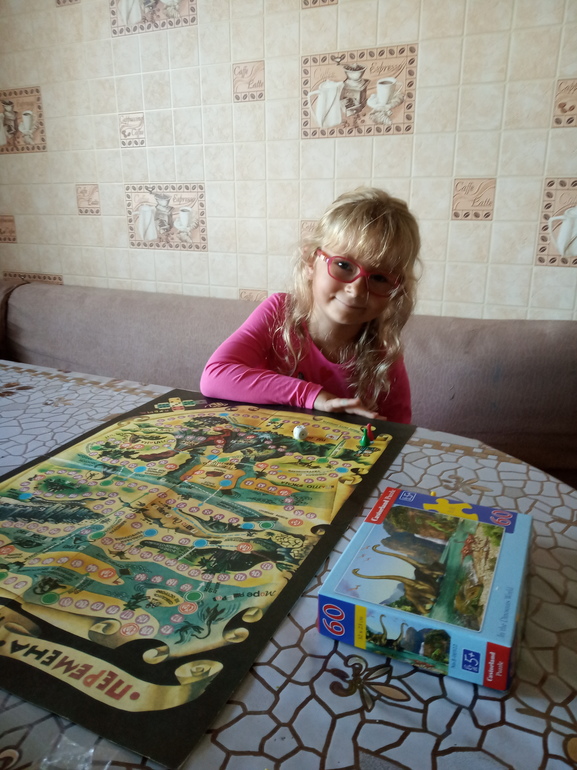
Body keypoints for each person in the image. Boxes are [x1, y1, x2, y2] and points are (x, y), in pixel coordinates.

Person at [200, 187, 421, 423]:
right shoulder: (279, 313)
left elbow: (398, 431)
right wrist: (314, 397)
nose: (356, 290)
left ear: (396, 290)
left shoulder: (384, 352)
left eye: (378, 278)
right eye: (344, 266)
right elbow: (214, 376)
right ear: (310, 262)